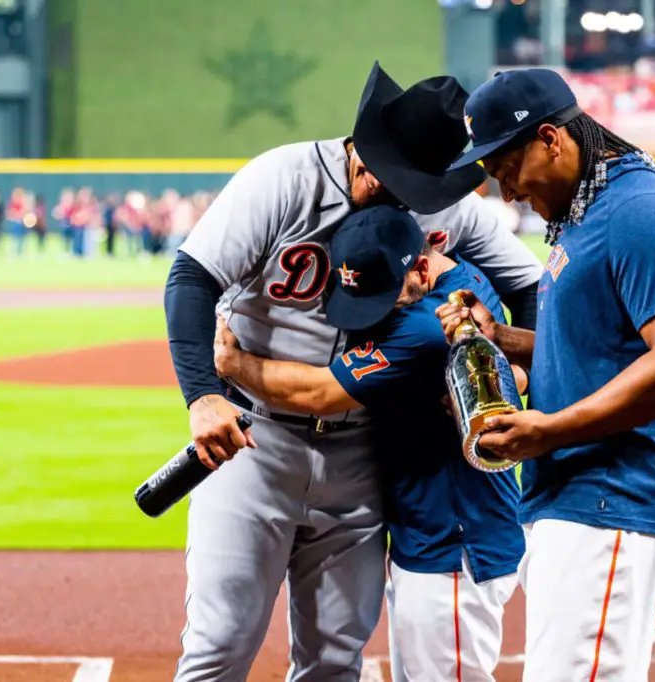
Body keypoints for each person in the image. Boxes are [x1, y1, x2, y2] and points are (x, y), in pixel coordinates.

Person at [164, 61, 542, 681]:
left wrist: (523, 376)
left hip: (362, 453)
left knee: (336, 658)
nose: (412, 206)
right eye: (401, 187)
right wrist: (202, 395)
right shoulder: (282, 179)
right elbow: (190, 277)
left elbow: (528, 283)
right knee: (220, 646)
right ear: (367, 157)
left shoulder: (437, 204)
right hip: (256, 443)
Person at [438, 68, 655, 681]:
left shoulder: (640, 212)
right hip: (580, 498)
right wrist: (501, 340)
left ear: (550, 140)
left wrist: (550, 431)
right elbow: (590, 349)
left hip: (613, 496)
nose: (507, 193)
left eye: (506, 169)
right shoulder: (588, 210)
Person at [212, 206, 525, 681]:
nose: (378, 311)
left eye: (386, 296)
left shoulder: (425, 326)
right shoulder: (464, 279)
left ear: (421, 267)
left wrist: (235, 366)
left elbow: (317, 393)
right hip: (435, 538)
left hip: (454, 547)